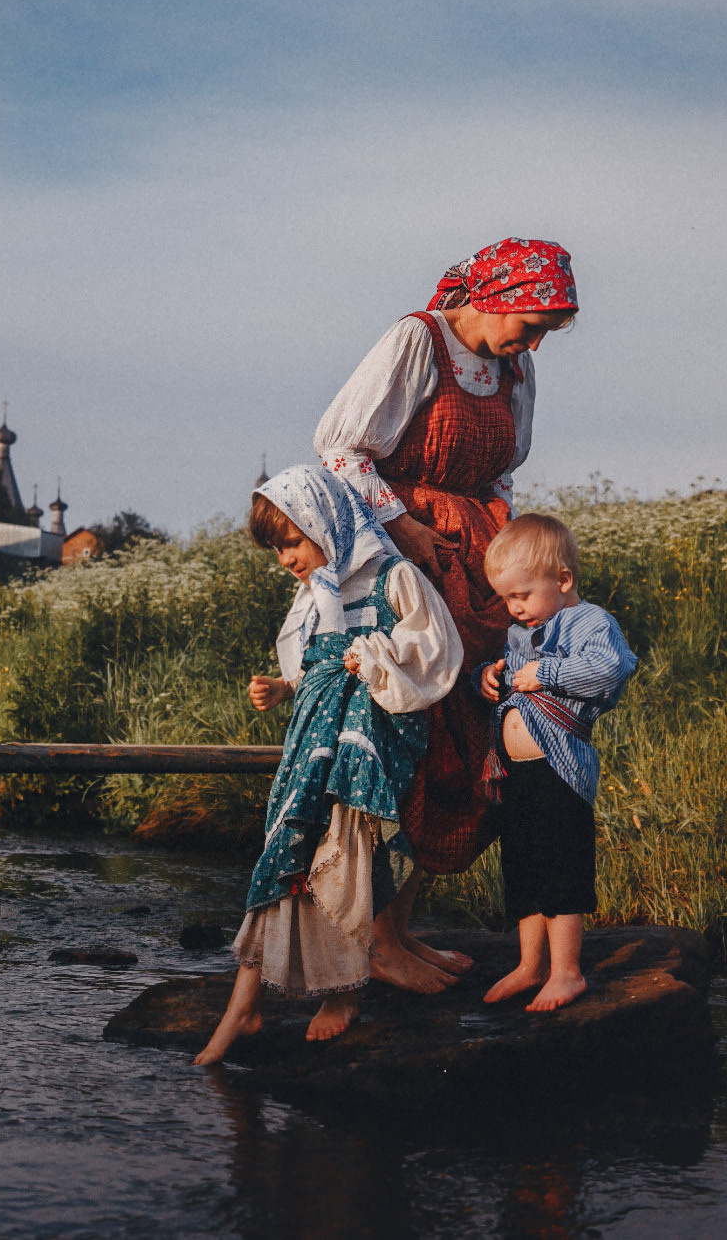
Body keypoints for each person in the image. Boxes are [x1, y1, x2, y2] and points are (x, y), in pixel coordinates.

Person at [313, 237, 579, 932]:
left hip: (480, 561)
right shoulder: (419, 340)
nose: (535, 346)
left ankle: (400, 926)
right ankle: (374, 936)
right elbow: (340, 447)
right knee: (413, 732)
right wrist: (404, 526)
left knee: (480, 739)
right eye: (532, 327)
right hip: (401, 560)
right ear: (493, 300)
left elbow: (498, 473)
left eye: (546, 333)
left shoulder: (513, 368)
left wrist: (512, 551)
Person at [195, 466, 464, 1066]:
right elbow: (311, 663)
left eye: (291, 541)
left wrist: (374, 655)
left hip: (366, 741)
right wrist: (283, 689)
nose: (285, 558)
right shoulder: (317, 592)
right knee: (289, 848)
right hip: (313, 745)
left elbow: (434, 651)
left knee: (345, 851)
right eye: (276, 549)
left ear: (326, 522)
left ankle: (342, 989)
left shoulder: (393, 577)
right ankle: (247, 1002)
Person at [476, 514, 637, 1012]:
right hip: (515, 771)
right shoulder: (522, 631)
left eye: (522, 595)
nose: (514, 607)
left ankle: (566, 971)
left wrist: (546, 672)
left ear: (562, 580)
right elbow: (512, 675)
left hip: (559, 768)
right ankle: (530, 965)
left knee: (561, 864)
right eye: (506, 598)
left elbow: (612, 668)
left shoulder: (591, 622)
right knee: (522, 863)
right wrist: (489, 676)